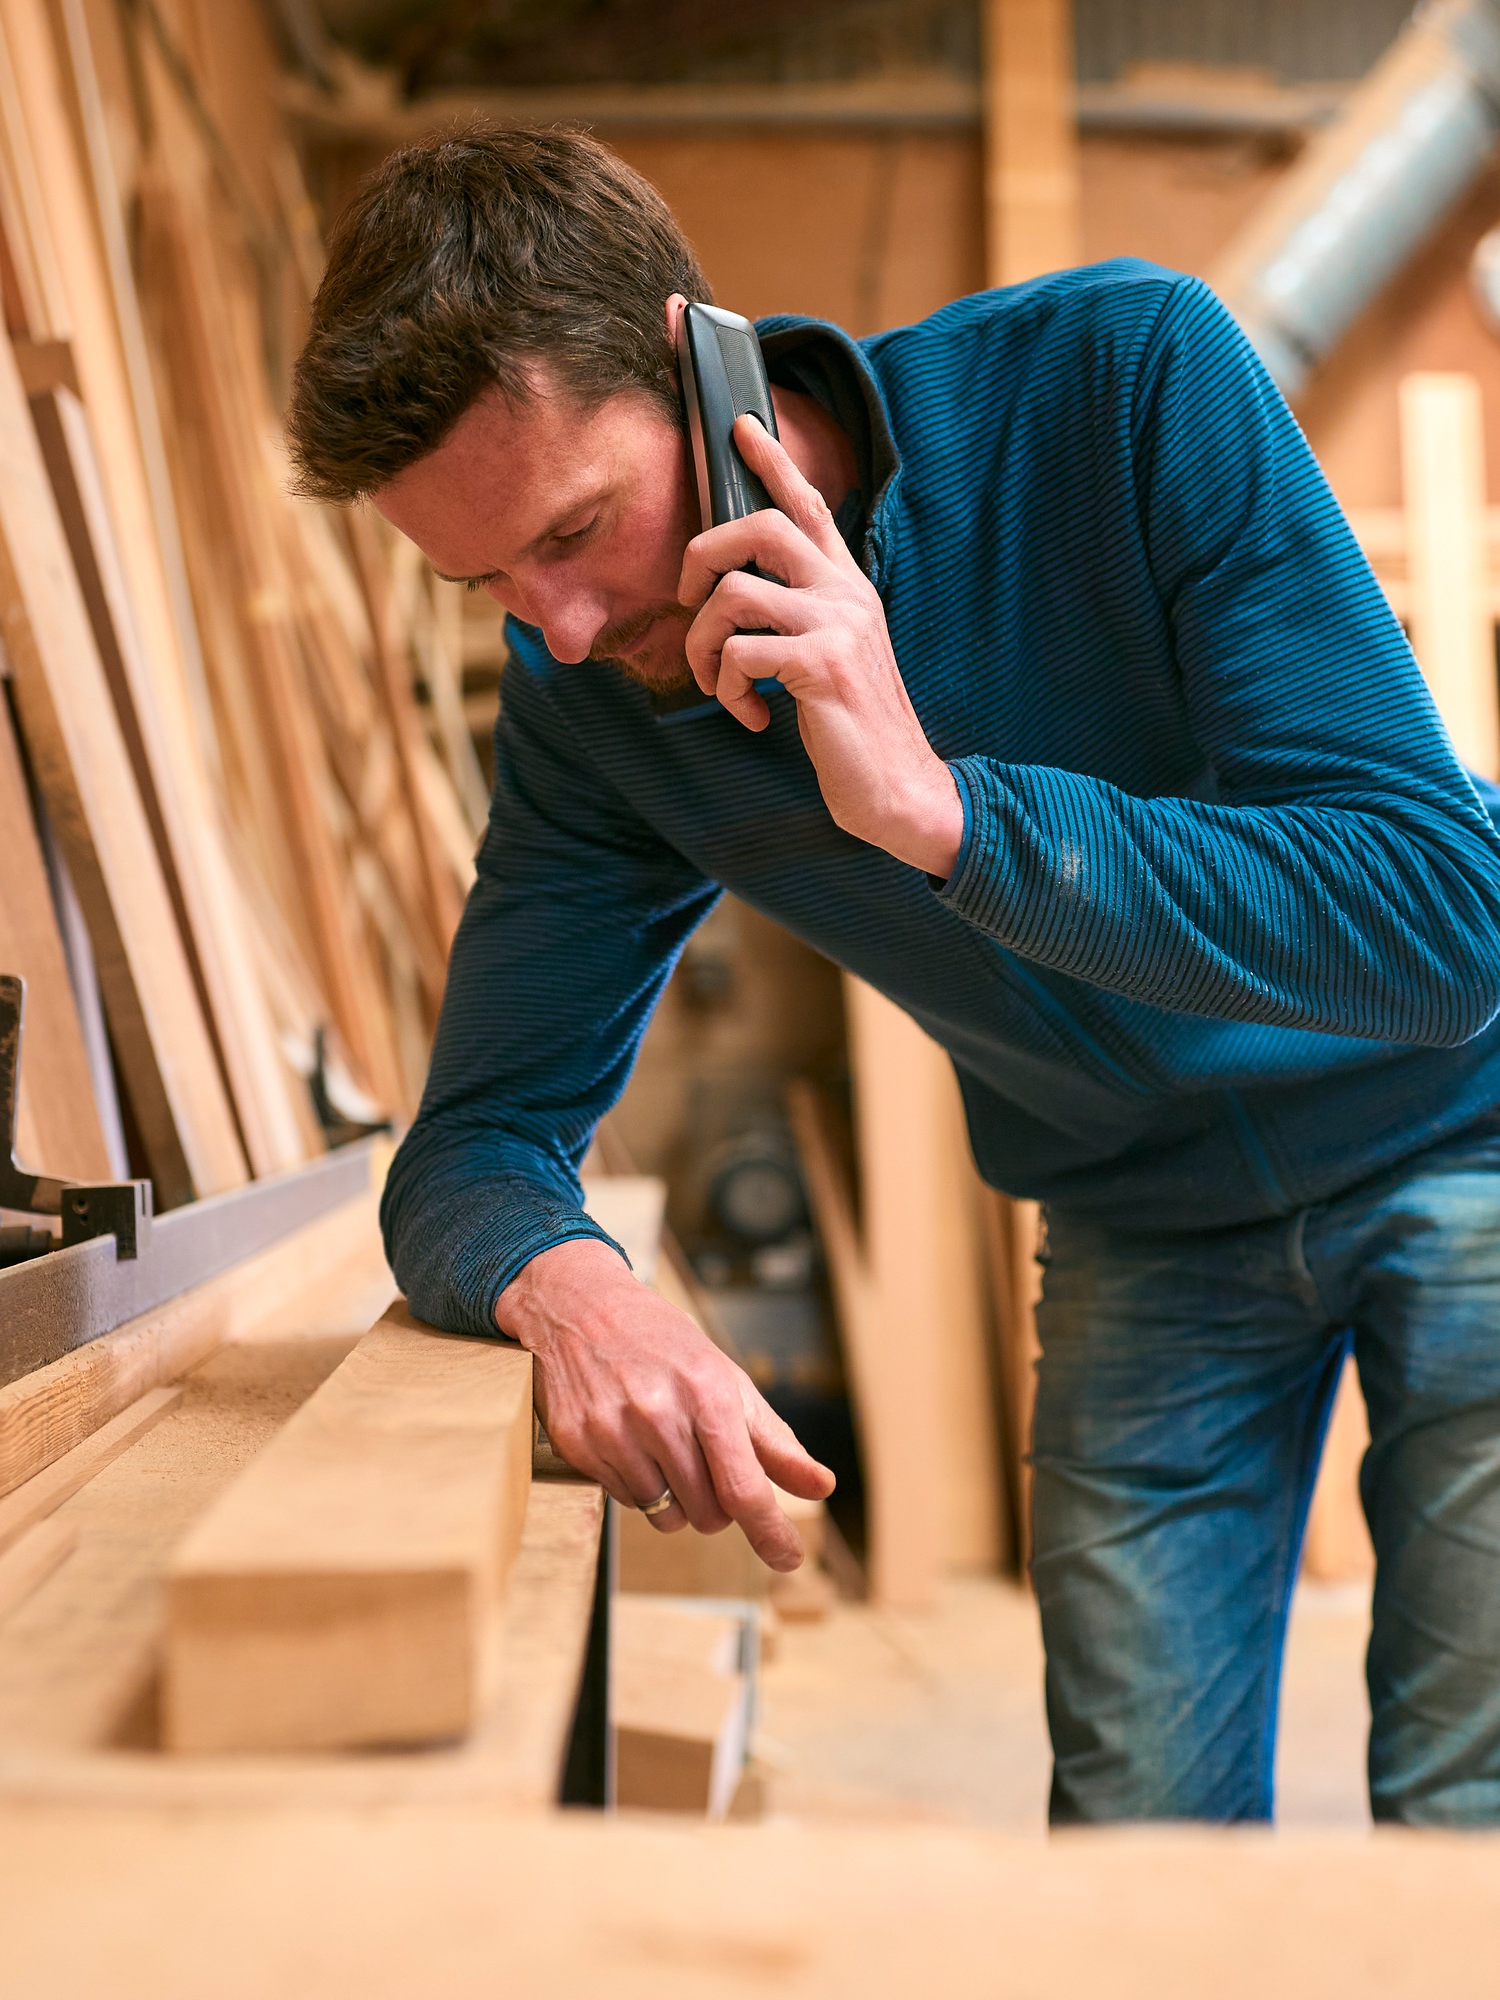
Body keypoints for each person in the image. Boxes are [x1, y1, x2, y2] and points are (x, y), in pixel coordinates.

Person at [285, 126, 1500, 1825]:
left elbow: (1445, 924)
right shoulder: (594, 704)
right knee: (1137, 1838)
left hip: (1463, 1136)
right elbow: (474, 1143)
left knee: (1465, 1824)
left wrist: (942, 813)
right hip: (1142, 1217)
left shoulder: (1124, 382)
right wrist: (574, 1286)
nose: (553, 630)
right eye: (484, 580)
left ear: (704, 370)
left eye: (573, 530)